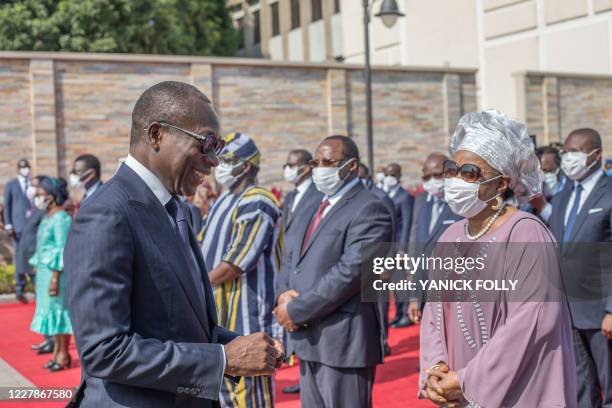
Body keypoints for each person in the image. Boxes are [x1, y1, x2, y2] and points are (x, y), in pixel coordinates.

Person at [64, 81, 283, 408]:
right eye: (207, 143)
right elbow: (104, 351)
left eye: (219, 147)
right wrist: (222, 359)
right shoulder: (108, 214)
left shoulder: (174, 208)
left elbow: (176, 325)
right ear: (156, 135)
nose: (214, 161)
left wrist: (237, 344)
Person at [420, 110, 576, 407]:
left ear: (501, 183)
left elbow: (533, 321)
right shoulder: (449, 236)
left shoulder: (527, 233)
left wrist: (468, 379)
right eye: (452, 170)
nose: (455, 180)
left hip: (519, 386)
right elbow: (434, 312)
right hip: (455, 387)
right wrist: (435, 369)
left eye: (469, 173)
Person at [275, 135, 392, 408]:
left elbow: (350, 273)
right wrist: (283, 294)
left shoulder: (370, 208)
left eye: (328, 162)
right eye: (315, 162)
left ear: (351, 166)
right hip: (308, 337)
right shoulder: (315, 204)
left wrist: (296, 310)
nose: (319, 168)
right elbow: (290, 255)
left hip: (343, 340)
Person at [199, 132, 283, 407]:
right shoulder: (223, 200)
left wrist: (198, 285)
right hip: (218, 314)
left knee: (250, 395)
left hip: (246, 315)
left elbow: (236, 263)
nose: (217, 164)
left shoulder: (258, 200)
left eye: (225, 160)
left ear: (246, 165)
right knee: (222, 394)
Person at [548, 128, 612, 408]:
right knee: (581, 387)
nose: (568, 157)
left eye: (575, 151)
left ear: (595, 155)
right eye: (566, 151)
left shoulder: (609, 193)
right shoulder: (562, 197)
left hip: (601, 313)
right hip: (569, 310)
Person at [280, 149, 322, 395]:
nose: (287, 168)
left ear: (306, 167)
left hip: (309, 274)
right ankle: (302, 375)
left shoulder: (318, 196)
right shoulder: (290, 197)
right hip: (290, 270)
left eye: (292, 164)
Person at [407, 153, 462, 324]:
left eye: (437, 175)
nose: (432, 180)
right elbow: (416, 244)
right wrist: (414, 297)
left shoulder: (461, 202)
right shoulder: (422, 200)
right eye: (426, 176)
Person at [29, 176, 72, 372]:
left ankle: (64, 354)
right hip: (44, 274)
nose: (37, 196)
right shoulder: (47, 216)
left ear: (52, 196)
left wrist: (55, 278)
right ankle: (56, 350)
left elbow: (62, 249)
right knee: (50, 314)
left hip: (56, 274)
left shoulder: (62, 219)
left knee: (59, 313)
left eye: (40, 193)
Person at [358, 163, 397, 356]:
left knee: (381, 304)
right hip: (364, 260)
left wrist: (388, 262)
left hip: (381, 260)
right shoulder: (358, 198)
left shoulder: (381, 197)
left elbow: (393, 231)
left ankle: (383, 340)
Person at [382, 162, 414, 328]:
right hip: (387, 245)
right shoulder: (385, 194)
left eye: (393, 175)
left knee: (400, 281)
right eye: (387, 174)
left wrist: (402, 249)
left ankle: (404, 314)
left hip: (399, 245)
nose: (389, 178)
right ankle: (397, 314)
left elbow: (407, 223)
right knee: (393, 284)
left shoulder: (404, 196)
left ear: (399, 176)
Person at [3, 158, 33, 303]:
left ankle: (34, 285)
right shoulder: (11, 185)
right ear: (17, 169)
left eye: (27, 166)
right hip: (17, 228)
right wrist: (8, 224)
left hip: (32, 227)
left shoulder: (33, 184)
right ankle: (20, 288)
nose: (25, 169)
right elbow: (7, 206)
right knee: (19, 257)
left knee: (32, 257)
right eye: (22, 167)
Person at [282, 149, 321, 236]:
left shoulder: (319, 195)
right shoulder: (289, 197)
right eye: (285, 166)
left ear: (306, 169)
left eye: (291, 166)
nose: (287, 170)